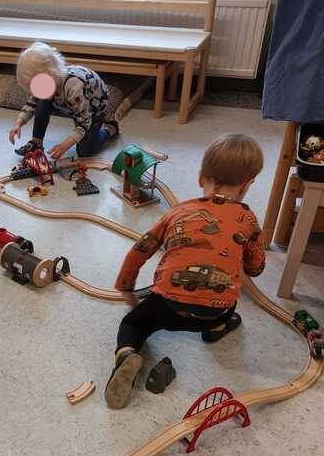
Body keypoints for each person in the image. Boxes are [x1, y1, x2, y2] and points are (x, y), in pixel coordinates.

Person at [105, 133, 266, 409]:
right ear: (246, 186)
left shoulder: (177, 212)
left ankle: (127, 353)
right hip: (217, 310)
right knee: (229, 298)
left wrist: (126, 288)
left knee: (133, 324)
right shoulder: (248, 219)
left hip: (168, 304)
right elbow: (255, 268)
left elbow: (139, 251)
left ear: (201, 178)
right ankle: (216, 329)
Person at [8, 41, 118, 160]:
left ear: (52, 75)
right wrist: (18, 123)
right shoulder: (47, 86)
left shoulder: (74, 88)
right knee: (41, 103)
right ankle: (36, 143)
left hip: (93, 109)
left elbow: (84, 122)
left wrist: (64, 146)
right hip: (69, 103)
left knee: (84, 150)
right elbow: (32, 103)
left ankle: (110, 129)